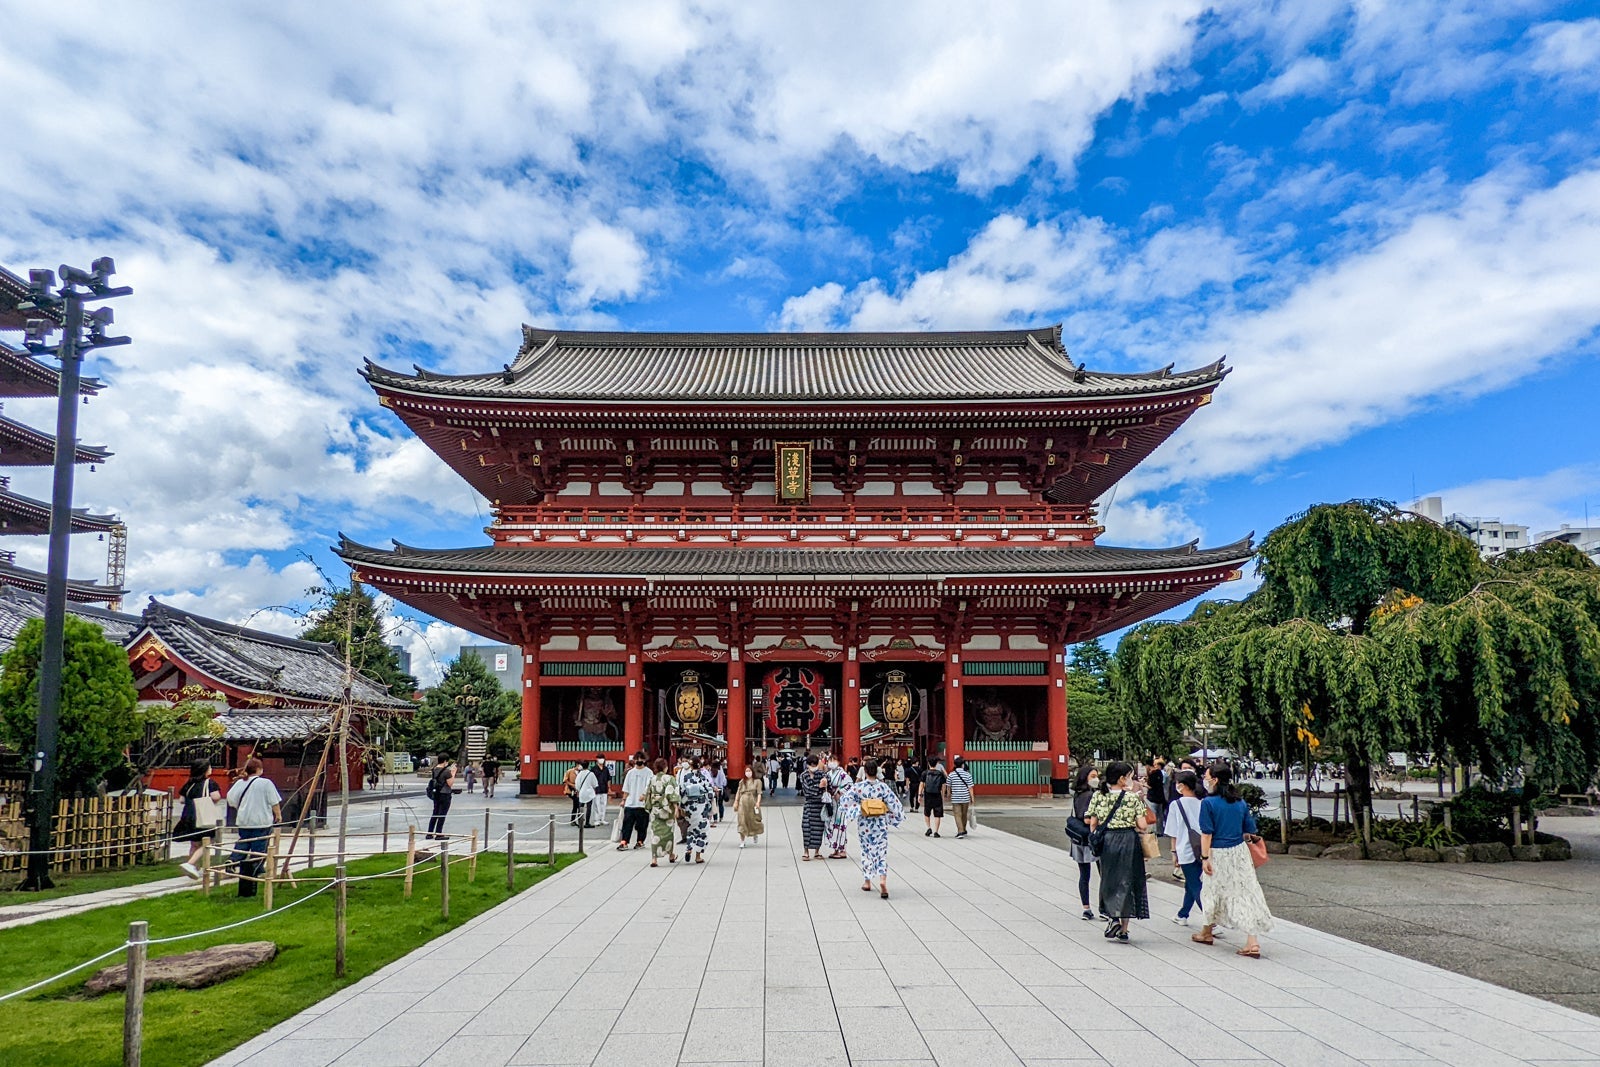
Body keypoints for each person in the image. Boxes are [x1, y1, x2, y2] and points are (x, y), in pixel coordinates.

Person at [1192, 763, 1273, 958]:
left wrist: (1204, 858)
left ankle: (1208, 931)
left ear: (1215, 779)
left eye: (1207, 776)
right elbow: (1249, 828)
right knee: (1245, 891)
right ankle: (1250, 939)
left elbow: (1206, 833)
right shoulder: (1240, 803)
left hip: (1217, 852)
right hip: (1239, 852)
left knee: (1212, 890)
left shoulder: (1208, 803)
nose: (1205, 779)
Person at [1085, 760, 1152, 944]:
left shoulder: (1098, 795)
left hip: (1107, 840)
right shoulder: (1131, 798)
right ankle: (1124, 929)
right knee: (1127, 881)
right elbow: (1142, 825)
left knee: (1109, 879)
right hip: (1128, 840)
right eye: (1130, 776)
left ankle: (1112, 917)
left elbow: (1092, 822)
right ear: (1122, 779)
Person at [841, 757, 905, 898]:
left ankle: (867, 881)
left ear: (865, 771)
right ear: (877, 771)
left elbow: (845, 801)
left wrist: (856, 809)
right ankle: (882, 879)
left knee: (866, 851)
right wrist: (896, 817)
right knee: (881, 851)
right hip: (880, 823)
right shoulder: (883, 787)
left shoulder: (859, 787)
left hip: (865, 823)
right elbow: (895, 804)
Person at [225, 758, 282, 897]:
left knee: (244, 842)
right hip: (261, 820)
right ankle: (255, 869)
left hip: (244, 820)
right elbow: (274, 801)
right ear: (259, 770)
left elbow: (230, 799)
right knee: (259, 847)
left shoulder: (240, 783)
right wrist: (278, 815)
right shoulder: (266, 783)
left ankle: (233, 860)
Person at [1164, 769, 1204, 926]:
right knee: (1191, 882)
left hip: (1185, 849)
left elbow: (1173, 831)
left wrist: (1174, 852)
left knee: (1195, 885)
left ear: (1181, 785)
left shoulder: (1176, 804)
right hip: (1203, 848)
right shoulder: (1203, 803)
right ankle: (1182, 914)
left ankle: (1210, 921)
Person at [175, 760, 224, 879]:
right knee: (208, 841)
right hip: (202, 815)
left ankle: (195, 868)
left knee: (195, 843)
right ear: (205, 770)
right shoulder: (209, 783)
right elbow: (216, 797)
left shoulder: (189, 784)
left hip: (188, 815)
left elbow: (181, 800)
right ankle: (190, 864)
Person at [1069, 763, 1100, 921]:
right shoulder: (1089, 795)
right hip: (1091, 837)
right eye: (1093, 776)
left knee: (1084, 874)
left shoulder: (1078, 793)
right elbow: (1087, 818)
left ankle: (1086, 907)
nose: (1096, 779)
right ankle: (1104, 907)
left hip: (1078, 838)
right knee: (1103, 873)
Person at [642, 758, 681, 867]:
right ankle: (671, 855)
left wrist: (647, 803)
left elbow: (647, 793)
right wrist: (676, 808)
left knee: (655, 833)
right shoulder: (670, 779)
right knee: (669, 833)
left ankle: (654, 858)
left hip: (655, 809)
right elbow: (672, 794)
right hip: (667, 809)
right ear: (665, 767)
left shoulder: (652, 779)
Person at [679, 756, 712, 863]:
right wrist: (709, 806)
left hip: (690, 807)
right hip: (701, 807)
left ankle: (689, 849)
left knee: (691, 830)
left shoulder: (686, 777)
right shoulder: (703, 777)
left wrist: (682, 806)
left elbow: (682, 792)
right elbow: (710, 793)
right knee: (702, 831)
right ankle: (698, 856)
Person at [617, 753, 653, 851]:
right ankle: (624, 841)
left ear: (645, 760)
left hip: (642, 804)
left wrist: (644, 795)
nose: (639, 761)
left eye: (641, 758)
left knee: (642, 825)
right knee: (627, 824)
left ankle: (640, 841)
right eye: (637, 759)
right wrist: (624, 800)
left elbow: (649, 786)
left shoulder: (648, 772)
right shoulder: (630, 772)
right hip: (630, 803)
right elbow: (626, 788)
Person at [799, 755, 827, 860]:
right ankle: (806, 851)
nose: (813, 767)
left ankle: (817, 851)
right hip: (809, 804)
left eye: (815, 765)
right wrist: (818, 787)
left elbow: (825, 785)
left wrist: (823, 784)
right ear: (808, 765)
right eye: (811, 765)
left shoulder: (822, 774)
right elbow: (806, 790)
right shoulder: (803, 775)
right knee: (806, 827)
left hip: (819, 805)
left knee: (819, 828)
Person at [823, 757, 852, 859]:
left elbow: (849, 784)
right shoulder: (828, 773)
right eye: (830, 761)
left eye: (834, 760)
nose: (831, 763)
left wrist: (839, 791)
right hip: (832, 802)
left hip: (840, 802)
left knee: (841, 825)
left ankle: (843, 849)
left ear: (838, 762)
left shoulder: (842, 774)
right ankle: (835, 848)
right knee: (831, 825)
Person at [426, 757, 457, 840]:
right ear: (445, 761)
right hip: (445, 794)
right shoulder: (446, 772)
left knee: (435, 812)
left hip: (436, 793)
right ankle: (439, 833)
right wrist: (453, 773)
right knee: (442, 814)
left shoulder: (434, 769)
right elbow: (450, 784)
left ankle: (429, 833)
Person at [735, 762, 764, 847]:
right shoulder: (741, 782)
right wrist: (736, 801)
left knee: (753, 820)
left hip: (752, 802)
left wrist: (758, 802)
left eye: (749, 771)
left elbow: (759, 793)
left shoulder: (757, 781)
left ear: (752, 772)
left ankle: (755, 833)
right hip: (742, 802)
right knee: (741, 821)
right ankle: (742, 841)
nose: (748, 772)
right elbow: (738, 792)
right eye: (746, 771)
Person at [948, 756, 975, 838]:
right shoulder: (968, 775)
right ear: (963, 765)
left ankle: (960, 831)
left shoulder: (951, 775)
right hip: (965, 797)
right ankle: (963, 829)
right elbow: (970, 787)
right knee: (964, 814)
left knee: (957, 814)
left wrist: (948, 794)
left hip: (955, 798)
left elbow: (948, 786)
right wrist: (972, 798)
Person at [920, 759, 947, 837]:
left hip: (928, 795)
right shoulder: (940, 774)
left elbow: (921, 785)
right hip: (937, 795)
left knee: (927, 812)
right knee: (937, 814)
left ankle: (929, 828)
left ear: (928, 764)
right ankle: (936, 831)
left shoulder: (925, 773)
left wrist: (919, 795)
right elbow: (943, 785)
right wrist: (942, 795)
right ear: (936, 764)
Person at [573, 759, 600, 828]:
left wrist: (579, 790)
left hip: (582, 793)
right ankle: (587, 822)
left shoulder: (579, 774)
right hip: (589, 793)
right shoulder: (591, 774)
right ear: (588, 765)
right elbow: (595, 784)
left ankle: (580, 822)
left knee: (580, 807)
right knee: (589, 808)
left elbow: (577, 784)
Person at [591, 756, 612, 826]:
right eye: (600, 758)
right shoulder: (594, 769)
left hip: (604, 788)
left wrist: (609, 788)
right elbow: (591, 779)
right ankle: (596, 819)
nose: (601, 760)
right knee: (596, 804)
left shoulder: (606, 769)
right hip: (596, 789)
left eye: (602, 758)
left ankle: (602, 819)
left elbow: (609, 778)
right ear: (597, 759)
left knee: (604, 804)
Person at [1146, 756, 1167, 827]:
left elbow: (1150, 785)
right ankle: (1160, 830)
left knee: (1153, 814)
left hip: (1153, 797)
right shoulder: (1161, 773)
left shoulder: (1153, 774)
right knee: (1160, 815)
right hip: (1160, 797)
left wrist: (1143, 784)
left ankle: (1153, 830)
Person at [563, 761, 583, 826]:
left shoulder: (581, 772)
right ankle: (576, 820)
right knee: (577, 803)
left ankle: (574, 820)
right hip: (570, 790)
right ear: (577, 765)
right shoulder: (569, 771)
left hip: (579, 791)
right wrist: (572, 785)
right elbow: (565, 780)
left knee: (576, 805)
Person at [709, 760, 727, 827]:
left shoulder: (710, 772)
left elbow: (710, 781)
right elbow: (724, 782)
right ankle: (721, 817)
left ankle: (715, 818)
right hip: (720, 790)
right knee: (720, 804)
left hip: (713, 789)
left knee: (714, 804)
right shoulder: (720, 772)